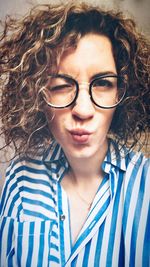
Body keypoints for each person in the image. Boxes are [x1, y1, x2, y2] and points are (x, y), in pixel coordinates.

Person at [0, 2, 150, 267]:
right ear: (38, 96)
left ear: (122, 93)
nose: (82, 109)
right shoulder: (20, 179)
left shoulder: (146, 186)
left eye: (103, 83)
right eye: (60, 85)